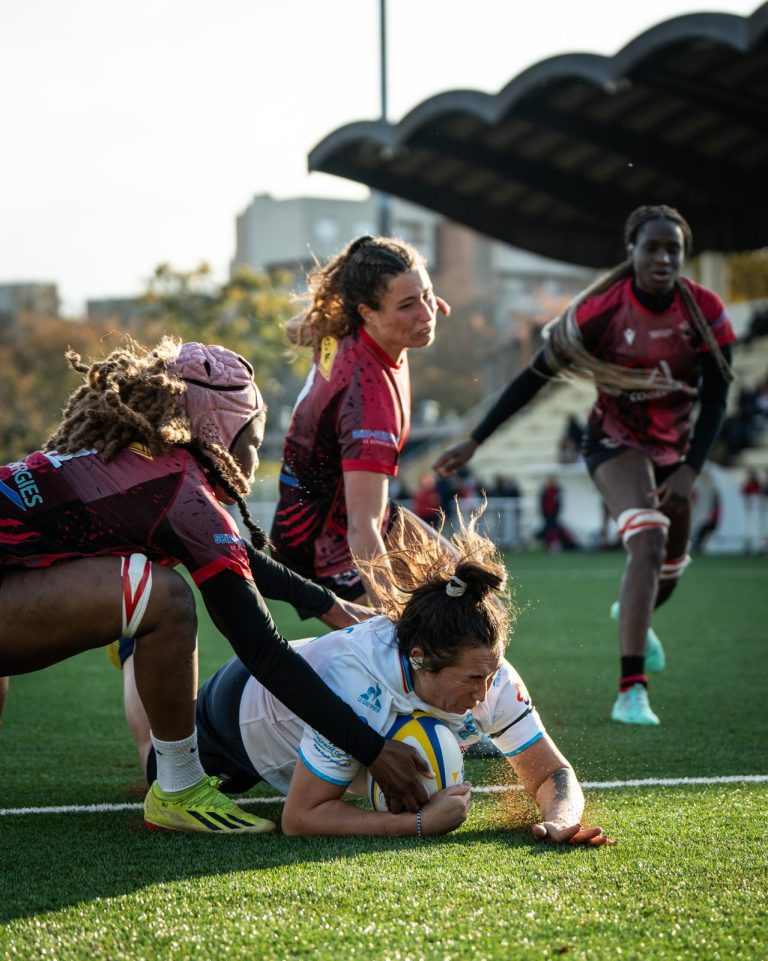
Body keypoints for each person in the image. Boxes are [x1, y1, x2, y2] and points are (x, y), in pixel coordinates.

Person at [0, 337, 432, 833]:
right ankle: (180, 788)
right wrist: (373, 750)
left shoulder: (140, 462)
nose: (252, 458)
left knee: (149, 585)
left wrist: (325, 603)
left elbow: (233, 554)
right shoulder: (177, 491)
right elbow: (263, 650)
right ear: (217, 429)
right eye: (250, 438)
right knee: (165, 596)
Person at [121, 512, 613, 844]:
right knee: (155, 767)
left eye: (489, 676)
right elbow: (299, 819)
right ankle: (133, 649)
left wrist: (562, 819)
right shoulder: (356, 683)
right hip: (239, 715)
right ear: (419, 659)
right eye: (471, 680)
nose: (484, 695)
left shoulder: (490, 673)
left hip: (301, 715)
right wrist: (418, 824)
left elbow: (552, 772)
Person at [434, 205, 735, 726]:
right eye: (653, 247)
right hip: (615, 442)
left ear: (683, 257)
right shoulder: (601, 311)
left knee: (670, 565)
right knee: (647, 538)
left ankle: (634, 613)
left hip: (676, 450)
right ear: (632, 253)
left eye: (673, 249)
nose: (663, 257)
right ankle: (632, 689)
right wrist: (476, 438)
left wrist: (690, 467)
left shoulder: (704, 311)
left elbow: (719, 393)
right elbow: (535, 376)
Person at [271, 235, 451, 608]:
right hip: (327, 542)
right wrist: (390, 618)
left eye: (427, 295)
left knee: (469, 590)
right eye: (407, 305)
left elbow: (294, 328)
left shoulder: (339, 330)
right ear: (368, 312)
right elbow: (362, 527)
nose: (426, 313)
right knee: (416, 643)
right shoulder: (370, 400)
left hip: (328, 511)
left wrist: (409, 310)